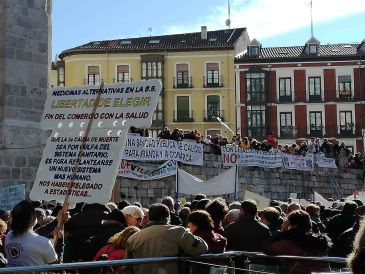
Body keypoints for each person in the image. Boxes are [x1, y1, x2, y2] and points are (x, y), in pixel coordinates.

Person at [124, 203, 208, 274]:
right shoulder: (178, 232)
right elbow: (202, 248)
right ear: (168, 218)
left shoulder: (133, 238)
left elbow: (127, 268)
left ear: (149, 218)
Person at [264, 210, 331, 274]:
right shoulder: (319, 241)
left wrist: (281, 231)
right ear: (309, 224)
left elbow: (267, 249)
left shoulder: (289, 242)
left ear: (290, 224)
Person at [5, 200, 58, 267]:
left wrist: (57, 220)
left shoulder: (8, 236)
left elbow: (33, 236)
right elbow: (55, 266)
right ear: (32, 218)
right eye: (34, 213)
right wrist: (61, 240)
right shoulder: (43, 242)